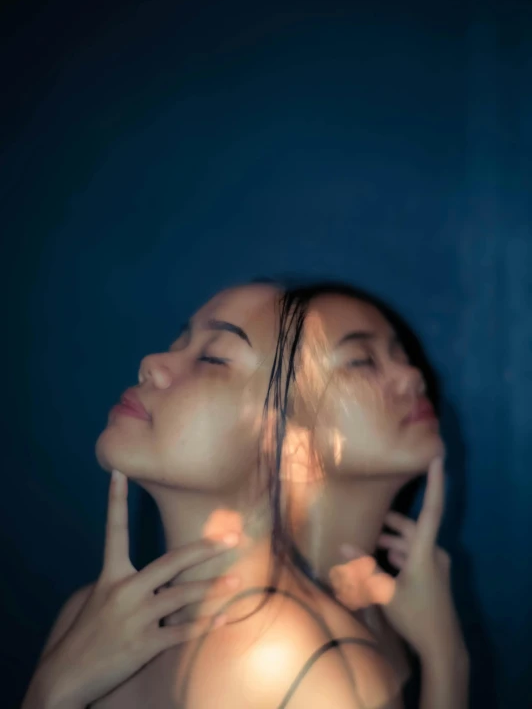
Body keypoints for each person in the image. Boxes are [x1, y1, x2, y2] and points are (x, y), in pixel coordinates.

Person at [22, 282, 402, 709]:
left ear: (290, 449)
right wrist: (53, 688)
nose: (151, 363)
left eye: (212, 358)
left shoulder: (301, 667)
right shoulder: (87, 619)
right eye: (178, 343)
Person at [270, 282, 470, 709]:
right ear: (284, 434)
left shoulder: (382, 605)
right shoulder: (285, 646)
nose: (413, 376)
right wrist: (447, 658)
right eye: (362, 361)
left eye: (401, 355)